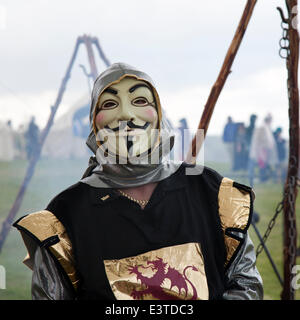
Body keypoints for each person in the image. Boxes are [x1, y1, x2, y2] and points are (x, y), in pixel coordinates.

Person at [13, 63, 263, 300]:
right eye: (110, 103)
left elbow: (245, 284)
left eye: (140, 101)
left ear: (159, 113)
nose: (125, 114)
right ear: (94, 120)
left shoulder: (209, 192)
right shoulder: (66, 215)